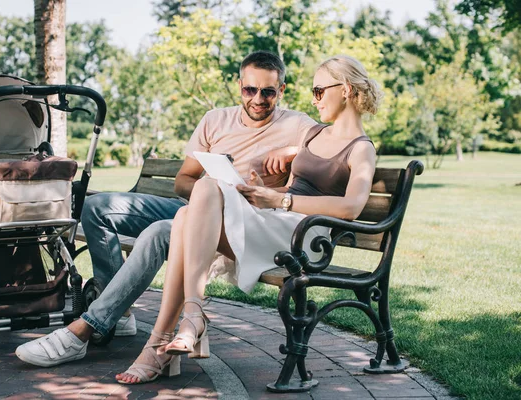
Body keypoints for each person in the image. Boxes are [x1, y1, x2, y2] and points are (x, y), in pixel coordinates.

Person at [15, 50, 319, 367]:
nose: (258, 99)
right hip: (195, 206)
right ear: (239, 84)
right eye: (250, 89)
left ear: (281, 90)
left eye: (269, 92)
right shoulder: (215, 119)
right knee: (96, 206)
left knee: (159, 233)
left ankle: (87, 328)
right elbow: (183, 181)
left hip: (237, 222)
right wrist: (215, 187)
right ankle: (119, 314)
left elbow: (334, 143)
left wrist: (291, 149)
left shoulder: (297, 125)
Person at [114, 54, 381, 385]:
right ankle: (185, 323)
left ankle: (170, 337)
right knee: (186, 214)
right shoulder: (313, 137)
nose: (314, 99)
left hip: (304, 237)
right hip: (276, 220)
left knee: (198, 202)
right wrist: (265, 185)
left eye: (318, 90)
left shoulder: (361, 148)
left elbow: (352, 207)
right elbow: (295, 177)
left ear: (344, 90)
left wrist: (283, 198)